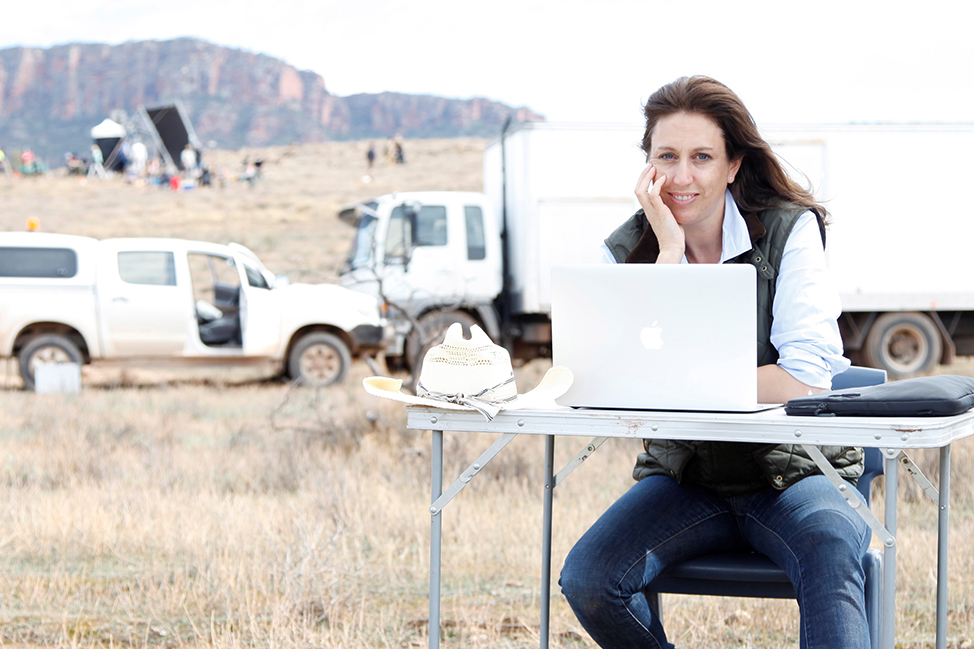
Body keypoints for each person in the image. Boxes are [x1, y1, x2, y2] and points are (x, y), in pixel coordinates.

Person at [559, 76, 866, 649]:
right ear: (645, 166)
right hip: (687, 477)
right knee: (590, 579)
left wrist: (673, 386)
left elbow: (802, 375)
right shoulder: (624, 253)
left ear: (732, 166)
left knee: (829, 551)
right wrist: (669, 256)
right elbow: (606, 378)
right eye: (666, 156)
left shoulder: (788, 228)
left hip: (793, 472)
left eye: (701, 157)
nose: (681, 177)